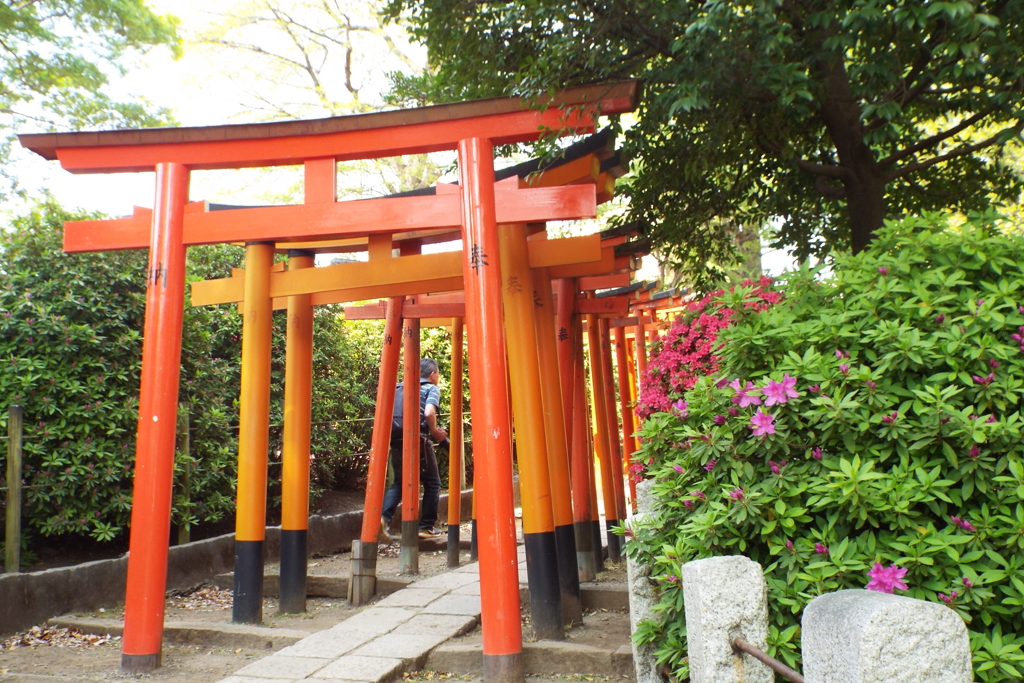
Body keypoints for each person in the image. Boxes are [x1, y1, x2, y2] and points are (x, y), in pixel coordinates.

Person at [380, 357, 447, 541]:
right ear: (432, 374)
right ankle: (426, 527)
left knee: (400, 483)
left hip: (396, 439)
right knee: (432, 483)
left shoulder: (399, 388)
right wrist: (435, 432)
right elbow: (428, 413)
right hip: (419, 440)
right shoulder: (430, 388)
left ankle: (383, 519)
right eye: (438, 374)